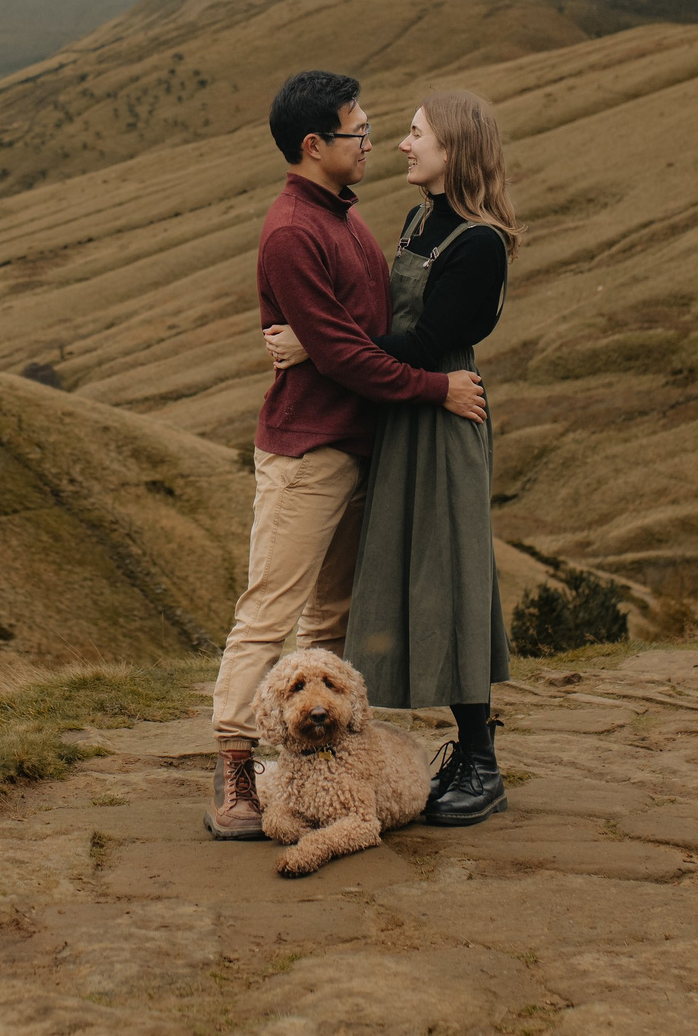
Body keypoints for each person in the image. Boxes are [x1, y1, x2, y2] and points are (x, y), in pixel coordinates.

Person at [206, 70, 489, 841]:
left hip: (358, 443)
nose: (373, 142)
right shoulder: (296, 231)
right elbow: (347, 356)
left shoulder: (344, 216)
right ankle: (235, 773)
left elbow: (352, 335)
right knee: (268, 613)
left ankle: (316, 758)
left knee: (327, 617)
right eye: (358, 132)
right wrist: (434, 388)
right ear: (314, 144)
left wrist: (321, 345)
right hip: (309, 449)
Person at [264, 89, 517, 825]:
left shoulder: (477, 243)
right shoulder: (420, 220)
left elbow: (419, 342)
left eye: (415, 135)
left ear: (453, 149)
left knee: (455, 576)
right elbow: (381, 318)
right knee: (411, 576)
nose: (401, 145)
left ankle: (480, 759)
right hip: (406, 412)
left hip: (441, 414)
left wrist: (316, 343)